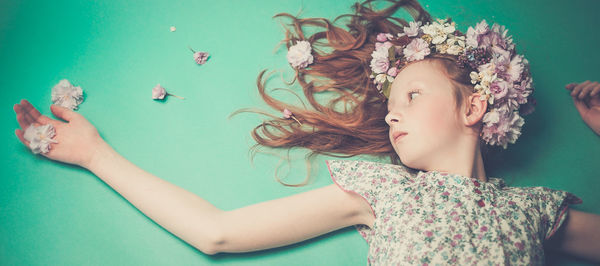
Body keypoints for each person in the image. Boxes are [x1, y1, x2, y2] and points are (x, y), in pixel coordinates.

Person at [12, 0, 600, 264]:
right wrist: (94, 154)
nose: (392, 115)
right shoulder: (386, 193)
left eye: (411, 96)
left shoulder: (532, 212)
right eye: (390, 104)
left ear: (473, 106)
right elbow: (218, 232)